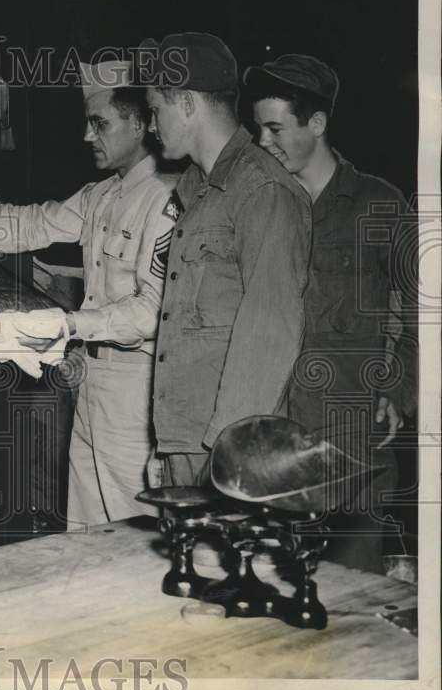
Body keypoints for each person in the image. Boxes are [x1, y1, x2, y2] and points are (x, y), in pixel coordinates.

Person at [0, 61, 178, 526]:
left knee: (139, 532)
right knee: (86, 528)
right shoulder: (102, 194)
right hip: (92, 379)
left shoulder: (165, 200)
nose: (88, 136)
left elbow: (153, 311)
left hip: (138, 392)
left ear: (140, 122)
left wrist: (67, 324)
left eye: (99, 123)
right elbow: (32, 223)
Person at [244, 53, 417, 571]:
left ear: (316, 124)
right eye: (258, 130)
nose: (262, 143)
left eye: (275, 129)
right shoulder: (264, 204)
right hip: (276, 437)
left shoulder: (377, 203)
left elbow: (422, 307)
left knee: (352, 596)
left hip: (353, 437)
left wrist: (399, 386)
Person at [145, 33, 312, 486]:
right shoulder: (196, 190)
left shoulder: (262, 190)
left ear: (186, 105)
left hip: (228, 448)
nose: (150, 125)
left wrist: (229, 454)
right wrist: (167, 448)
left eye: (154, 109)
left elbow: (270, 329)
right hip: (186, 439)